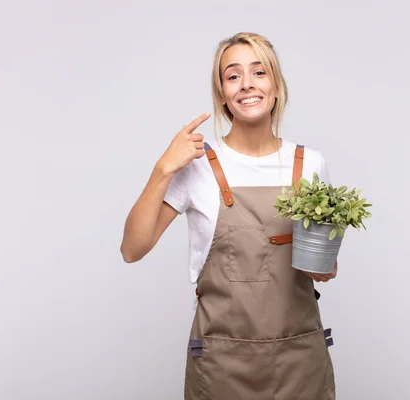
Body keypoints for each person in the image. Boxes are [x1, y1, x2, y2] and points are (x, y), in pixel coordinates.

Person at [120, 32, 337, 399]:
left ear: (276, 86)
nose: (247, 84)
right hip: (221, 365)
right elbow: (132, 249)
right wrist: (163, 169)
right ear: (222, 94)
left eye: (259, 72)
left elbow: (326, 270)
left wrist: (322, 263)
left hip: (299, 361)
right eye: (233, 75)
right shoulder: (197, 166)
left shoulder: (310, 164)